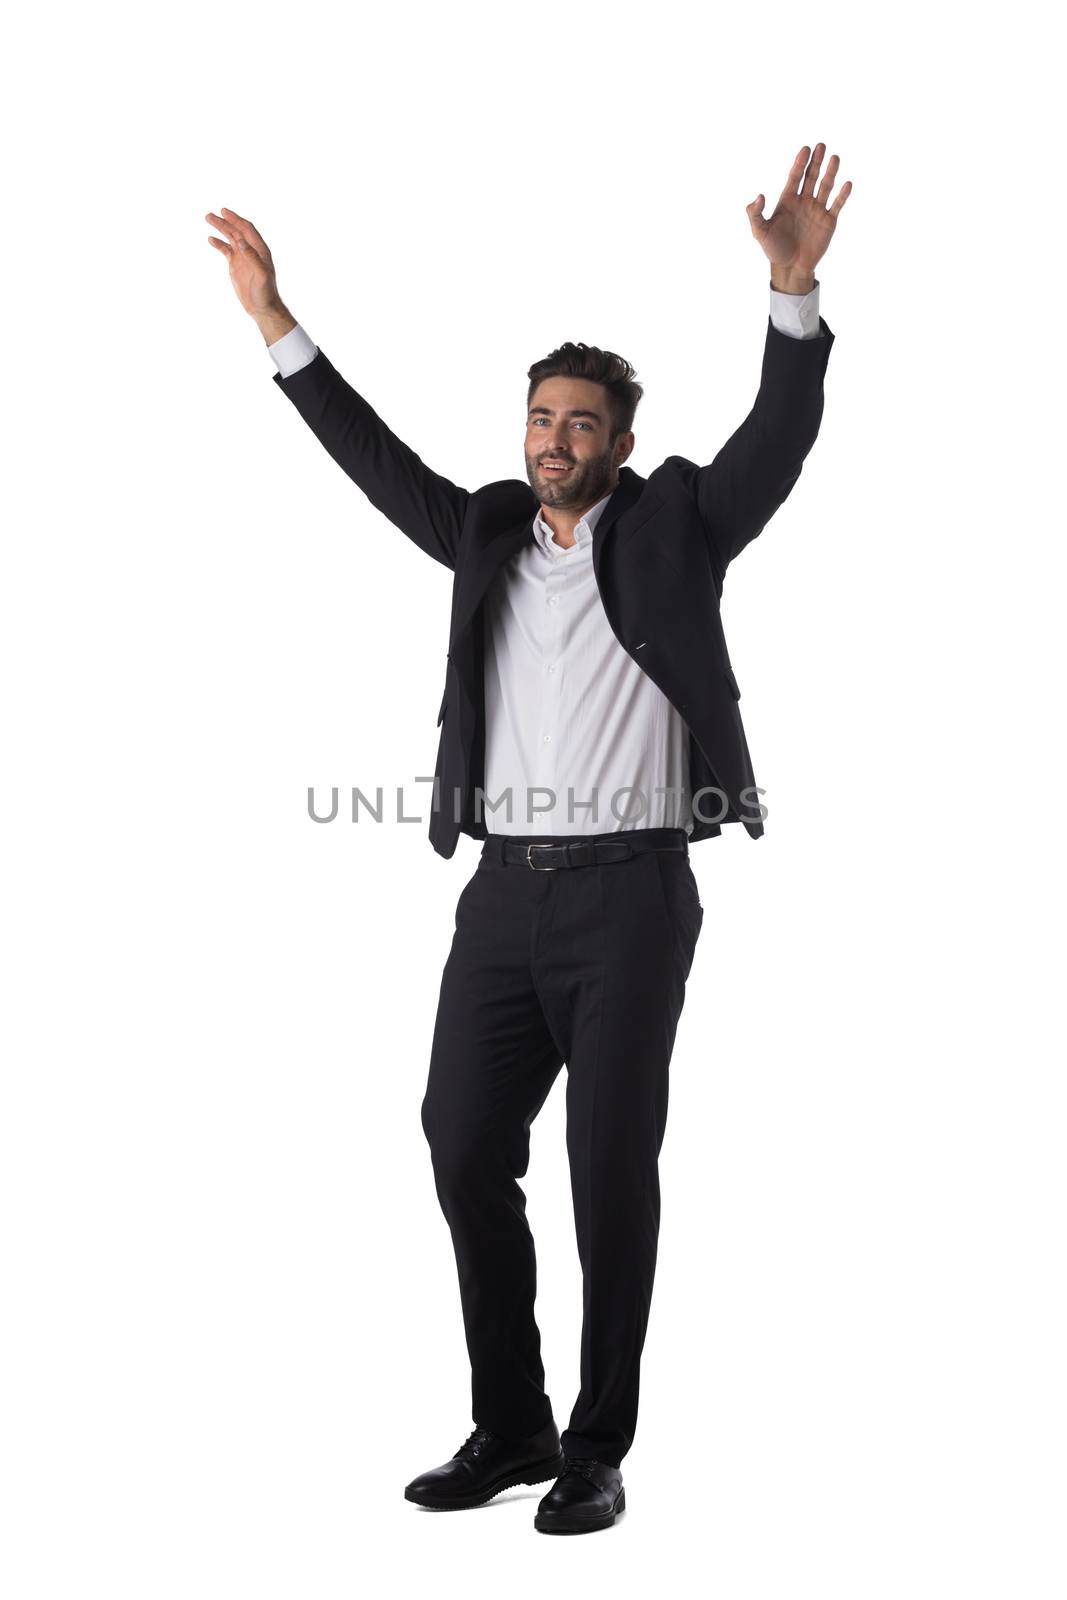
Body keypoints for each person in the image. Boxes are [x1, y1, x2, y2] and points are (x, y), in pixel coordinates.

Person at [206, 142, 850, 1536]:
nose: (553, 440)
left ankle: (598, 1448)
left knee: (608, 1165)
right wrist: (278, 324)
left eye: (579, 424)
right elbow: (375, 463)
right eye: (539, 419)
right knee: (458, 1138)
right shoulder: (491, 531)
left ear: (619, 438)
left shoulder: (678, 522)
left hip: (632, 897)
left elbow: (776, 446)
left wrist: (790, 301)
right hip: (501, 903)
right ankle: (512, 1423)